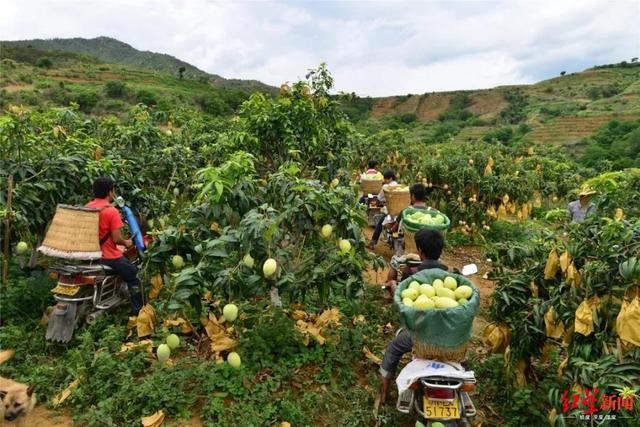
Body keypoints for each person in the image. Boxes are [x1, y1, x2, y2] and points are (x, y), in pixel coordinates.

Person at [378, 228, 450, 404]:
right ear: (441, 250)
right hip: (449, 336)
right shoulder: (452, 275)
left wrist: (393, 285)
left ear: (420, 251)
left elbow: (402, 296)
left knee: (394, 349)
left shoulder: (412, 273)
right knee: (463, 363)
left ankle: (383, 394)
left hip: (419, 335)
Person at [86, 177, 143, 314]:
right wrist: (127, 242)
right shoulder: (111, 211)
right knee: (136, 277)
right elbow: (117, 239)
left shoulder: (87, 207)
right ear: (110, 192)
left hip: (91, 255)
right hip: (109, 257)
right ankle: (138, 310)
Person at [366, 170, 398, 249]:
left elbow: (380, 198)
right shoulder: (398, 185)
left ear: (390, 179)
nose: (385, 181)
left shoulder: (386, 187)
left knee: (380, 224)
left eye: (386, 179)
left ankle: (372, 242)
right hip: (399, 211)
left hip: (390, 212)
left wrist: (380, 201)